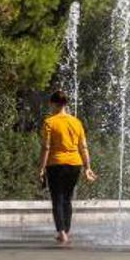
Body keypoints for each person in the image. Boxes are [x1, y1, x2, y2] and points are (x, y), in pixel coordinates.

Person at [38, 90, 97, 244]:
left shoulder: (49, 122)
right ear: (65, 104)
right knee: (67, 199)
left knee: (57, 198)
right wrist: (87, 167)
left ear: (52, 103)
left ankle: (61, 232)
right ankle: (67, 230)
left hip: (55, 164)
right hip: (74, 164)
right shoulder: (76, 122)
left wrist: (41, 168)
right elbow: (83, 147)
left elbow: (46, 147)